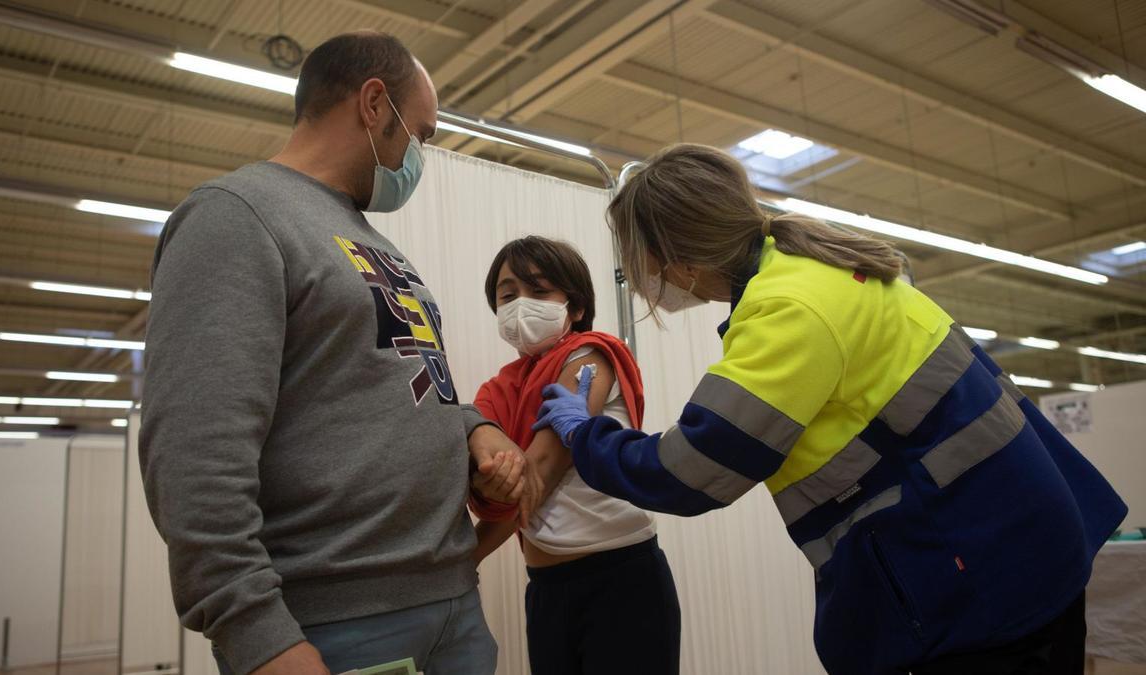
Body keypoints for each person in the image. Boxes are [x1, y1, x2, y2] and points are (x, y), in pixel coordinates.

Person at [533, 143, 1127, 675]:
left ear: (681, 258)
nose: (640, 281)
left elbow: (690, 472)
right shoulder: (824, 268)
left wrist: (585, 433)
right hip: (1025, 540)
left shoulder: (788, 311)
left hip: (984, 577)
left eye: (639, 260)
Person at [141, 32, 534, 675]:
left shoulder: (368, 238)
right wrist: (256, 634)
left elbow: (399, 388)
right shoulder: (237, 216)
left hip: (450, 599)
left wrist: (477, 428)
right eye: (424, 134)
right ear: (374, 104)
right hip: (337, 622)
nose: (421, 154)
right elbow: (193, 446)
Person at [469, 236, 681, 674]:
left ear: (576, 306)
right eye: (508, 295)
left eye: (540, 291)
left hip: (620, 577)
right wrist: (457, 562)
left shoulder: (589, 357)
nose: (521, 304)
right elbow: (503, 485)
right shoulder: (501, 389)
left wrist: (494, 476)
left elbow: (540, 470)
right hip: (546, 585)